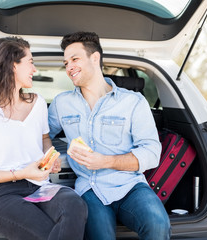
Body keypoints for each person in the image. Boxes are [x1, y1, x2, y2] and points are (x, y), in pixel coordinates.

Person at [0, 36, 87, 240]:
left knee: (74, 203)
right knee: (46, 233)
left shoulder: (36, 103)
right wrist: (19, 173)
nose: (34, 69)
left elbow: (45, 139)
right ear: (12, 66)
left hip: (38, 186)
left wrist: (50, 158)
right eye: (30, 62)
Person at [48, 32, 171, 240]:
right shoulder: (61, 103)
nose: (69, 67)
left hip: (130, 186)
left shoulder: (133, 102)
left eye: (75, 59)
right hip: (89, 188)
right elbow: (41, 136)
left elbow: (151, 153)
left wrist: (105, 161)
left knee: (158, 224)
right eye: (66, 62)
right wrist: (48, 156)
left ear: (95, 58)